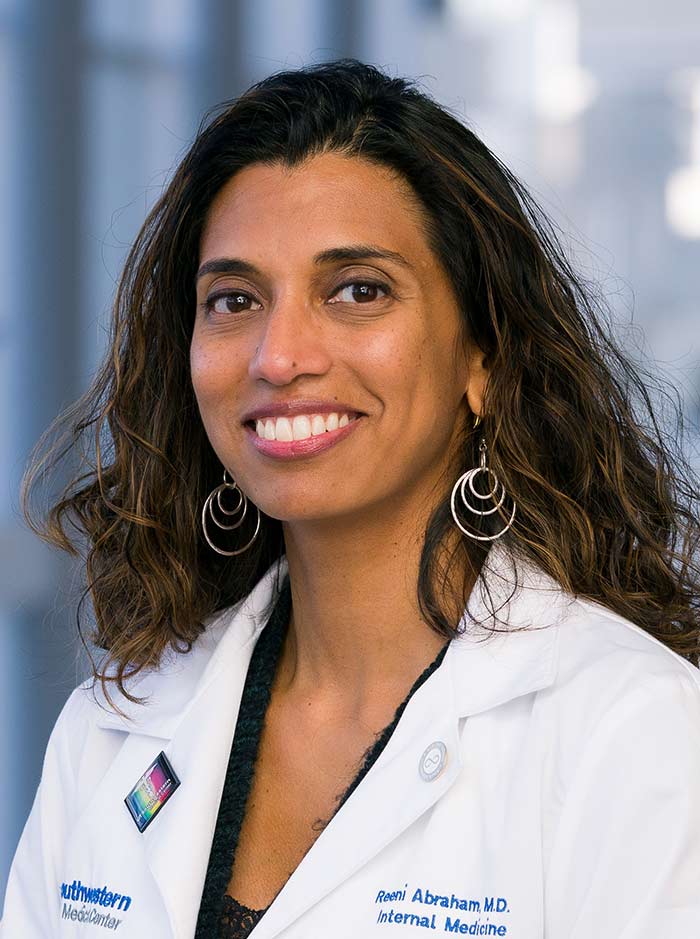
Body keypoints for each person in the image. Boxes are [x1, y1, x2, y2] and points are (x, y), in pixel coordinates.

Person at [2, 58, 700, 939]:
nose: (278, 355)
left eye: (357, 290)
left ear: (481, 358)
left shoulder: (631, 731)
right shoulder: (113, 727)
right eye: (234, 299)